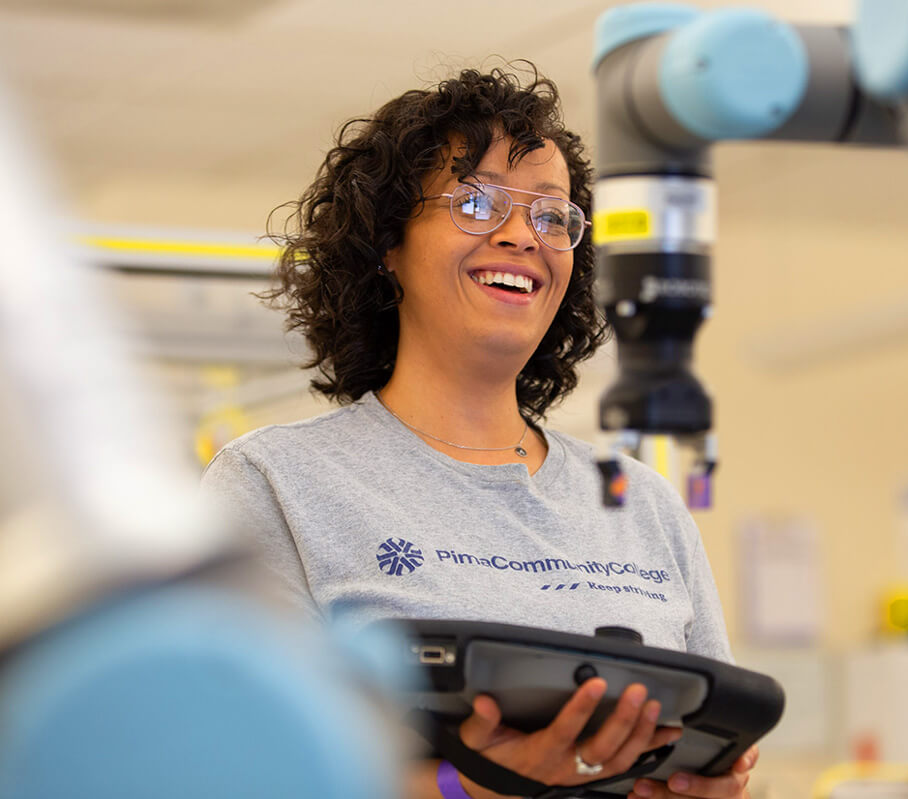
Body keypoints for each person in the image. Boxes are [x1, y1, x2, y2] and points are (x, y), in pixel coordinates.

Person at [201, 65, 757, 799]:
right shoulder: (277, 485)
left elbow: (719, 743)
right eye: (475, 200)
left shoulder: (641, 504)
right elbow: (223, 769)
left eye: (552, 215)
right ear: (387, 244)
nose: (523, 234)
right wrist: (475, 787)